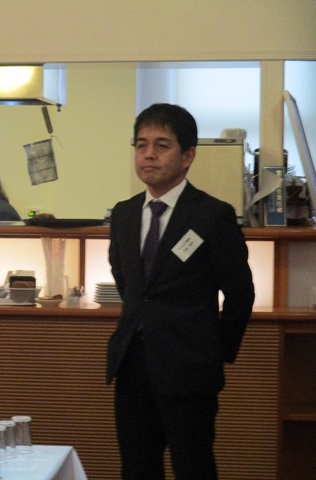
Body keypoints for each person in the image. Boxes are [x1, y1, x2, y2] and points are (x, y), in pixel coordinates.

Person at [106, 103, 255, 479]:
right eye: (141, 145)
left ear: (187, 156)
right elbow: (127, 281)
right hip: (132, 363)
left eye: (162, 145)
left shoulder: (211, 215)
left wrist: (216, 350)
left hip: (189, 366)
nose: (149, 155)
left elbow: (240, 294)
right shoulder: (123, 214)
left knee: (193, 467)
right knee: (137, 468)